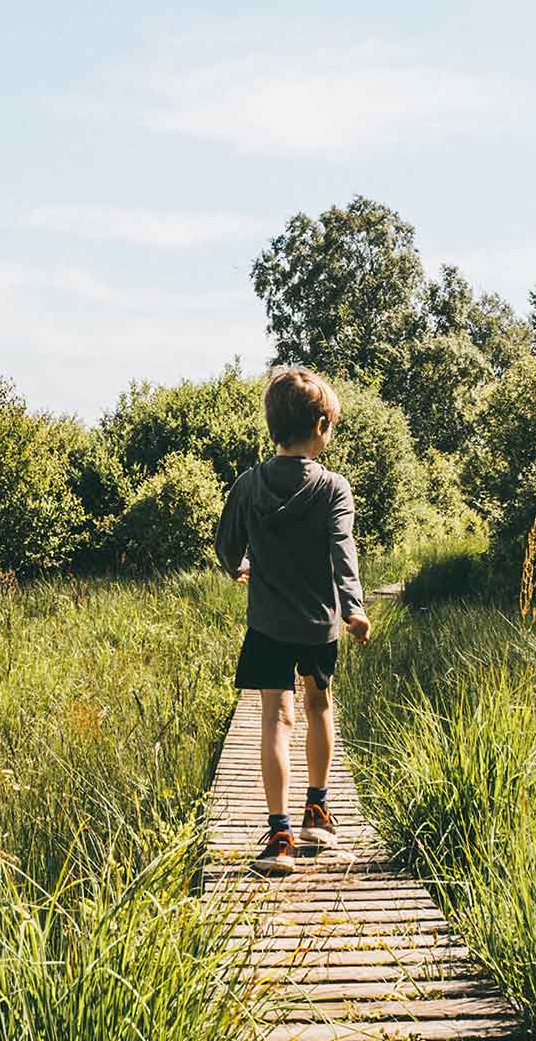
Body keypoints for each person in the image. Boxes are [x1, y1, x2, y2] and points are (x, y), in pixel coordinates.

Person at [215, 367, 369, 875]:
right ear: (321, 426)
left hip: (267, 625)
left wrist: (239, 566)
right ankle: (317, 813)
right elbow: (343, 552)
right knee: (318, 706)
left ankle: (278, 835)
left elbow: (226, 546)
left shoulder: (248, 484)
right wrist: (353, 608)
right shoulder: (334, 488)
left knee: (275, 719)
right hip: (319, 624)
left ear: (272, 426)